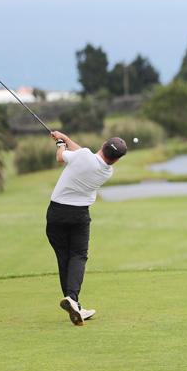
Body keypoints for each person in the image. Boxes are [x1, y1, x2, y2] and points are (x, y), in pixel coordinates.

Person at [46, 131, 127, 326]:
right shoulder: (108, 171)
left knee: (64, 258)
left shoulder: (83, 157)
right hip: (79, 216)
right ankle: (73, 300)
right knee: (78, 256)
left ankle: (73, 302)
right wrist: (66, 139)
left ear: (103, 143)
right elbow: (84, 154)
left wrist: (60, 143)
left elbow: (61, 157)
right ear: (116, 160)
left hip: (56, 213)